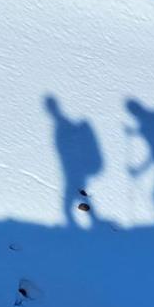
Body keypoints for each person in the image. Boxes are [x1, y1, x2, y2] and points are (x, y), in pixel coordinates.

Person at [44, 95, 103, 227]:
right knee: (77, 193)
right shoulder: (63, 124)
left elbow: (71, 143)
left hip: (74, 167)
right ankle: (92, 219)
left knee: (72, 197)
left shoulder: (63, 125)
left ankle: (82, 222)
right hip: (72, 167)